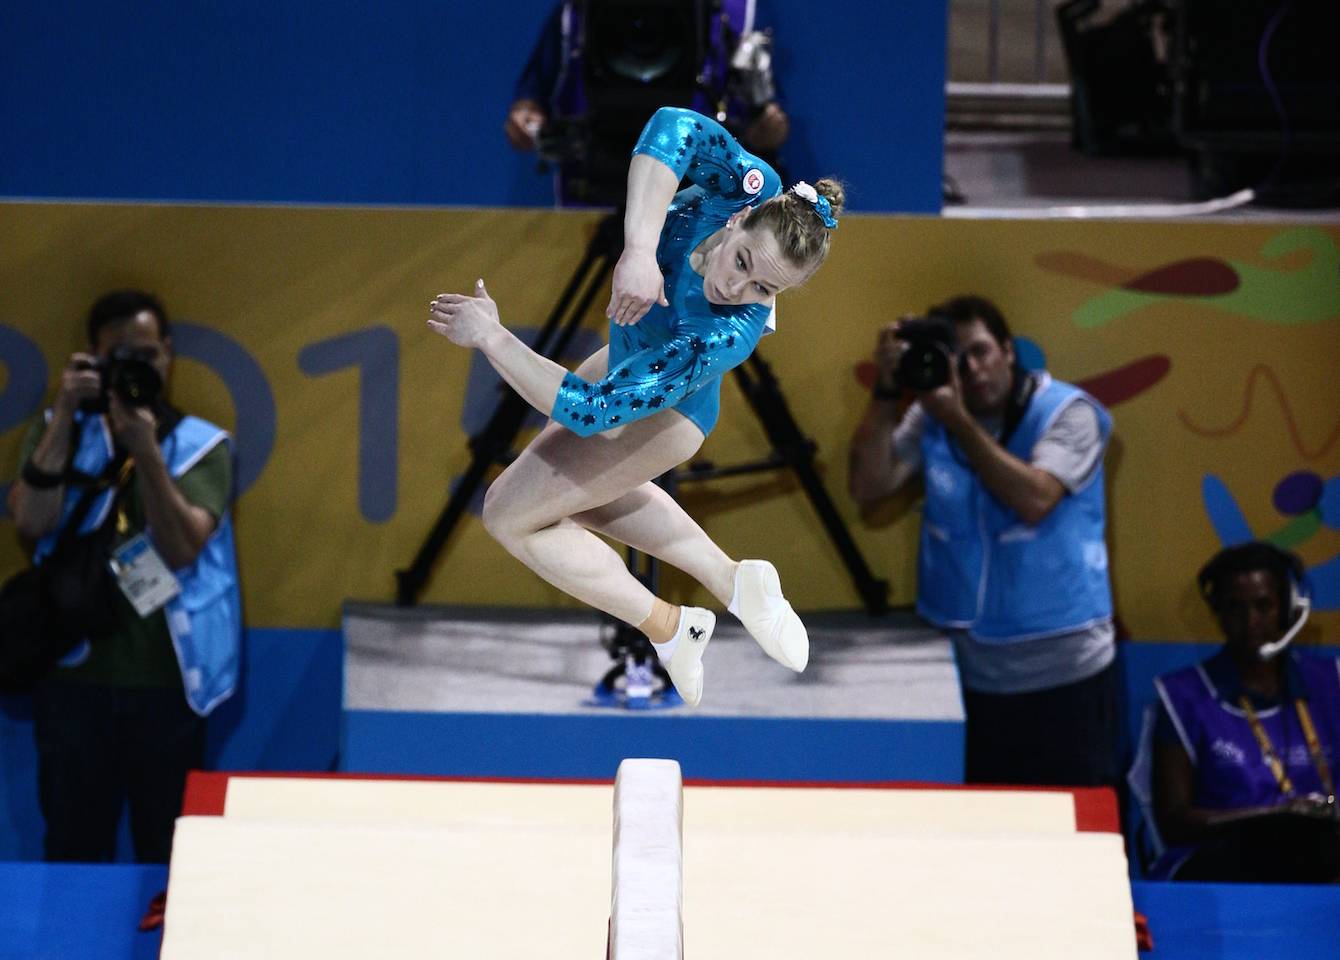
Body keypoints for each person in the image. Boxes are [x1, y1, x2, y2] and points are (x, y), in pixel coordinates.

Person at [429, 106, 841, 706]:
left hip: (666, 413)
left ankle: (670, 626)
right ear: (743, 218)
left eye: (765, 289)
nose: (737, 288)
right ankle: (730, 583)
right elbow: (670, 127)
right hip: (623, 362)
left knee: (507, 514)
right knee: (583, 505)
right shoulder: (747, 185)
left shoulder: (726, 334)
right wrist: (640, 250)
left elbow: (590, 411)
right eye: (744, 261)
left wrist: (493, 338)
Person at [8, 290, 241, 863]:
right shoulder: (58, 430)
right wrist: (65, 412)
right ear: (93, 359)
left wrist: (145, 448)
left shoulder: (199, 446)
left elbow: (184, 548)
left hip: (168, 684)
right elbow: (31, 523)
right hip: (73, 680)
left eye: (147, 353)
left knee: (169, 856)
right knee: (72, 847)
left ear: (168, 354)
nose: (138, 366)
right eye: (120, 356)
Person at [848, 296, 1117, 786]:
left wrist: (958, 423)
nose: (971, 370)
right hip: (968, 678)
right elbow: (868, 488)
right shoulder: (932, 415)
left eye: (981, 352)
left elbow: (1035, 498)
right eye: (959, 358)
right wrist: (886, 390)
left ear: (1009, 352)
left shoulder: (1068, 413)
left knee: (1072, 836)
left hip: (1065, 673)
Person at [1144, 542, 1340, 882]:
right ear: (1218, 613)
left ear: (1289, 609)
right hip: (1226, 863)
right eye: (1235, 608)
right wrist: (1276, 817)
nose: (1251, 622)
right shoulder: (1183, 697)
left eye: (1264, 606)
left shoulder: (1331, 681)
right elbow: (1174, 822)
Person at [505, 0, 789, 205]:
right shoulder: (574, 14)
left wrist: (767, 126)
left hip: (699, 203)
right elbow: (530, 100)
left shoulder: (739, 13)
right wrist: (527, 119)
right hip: (592, 196)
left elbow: (768, 118)